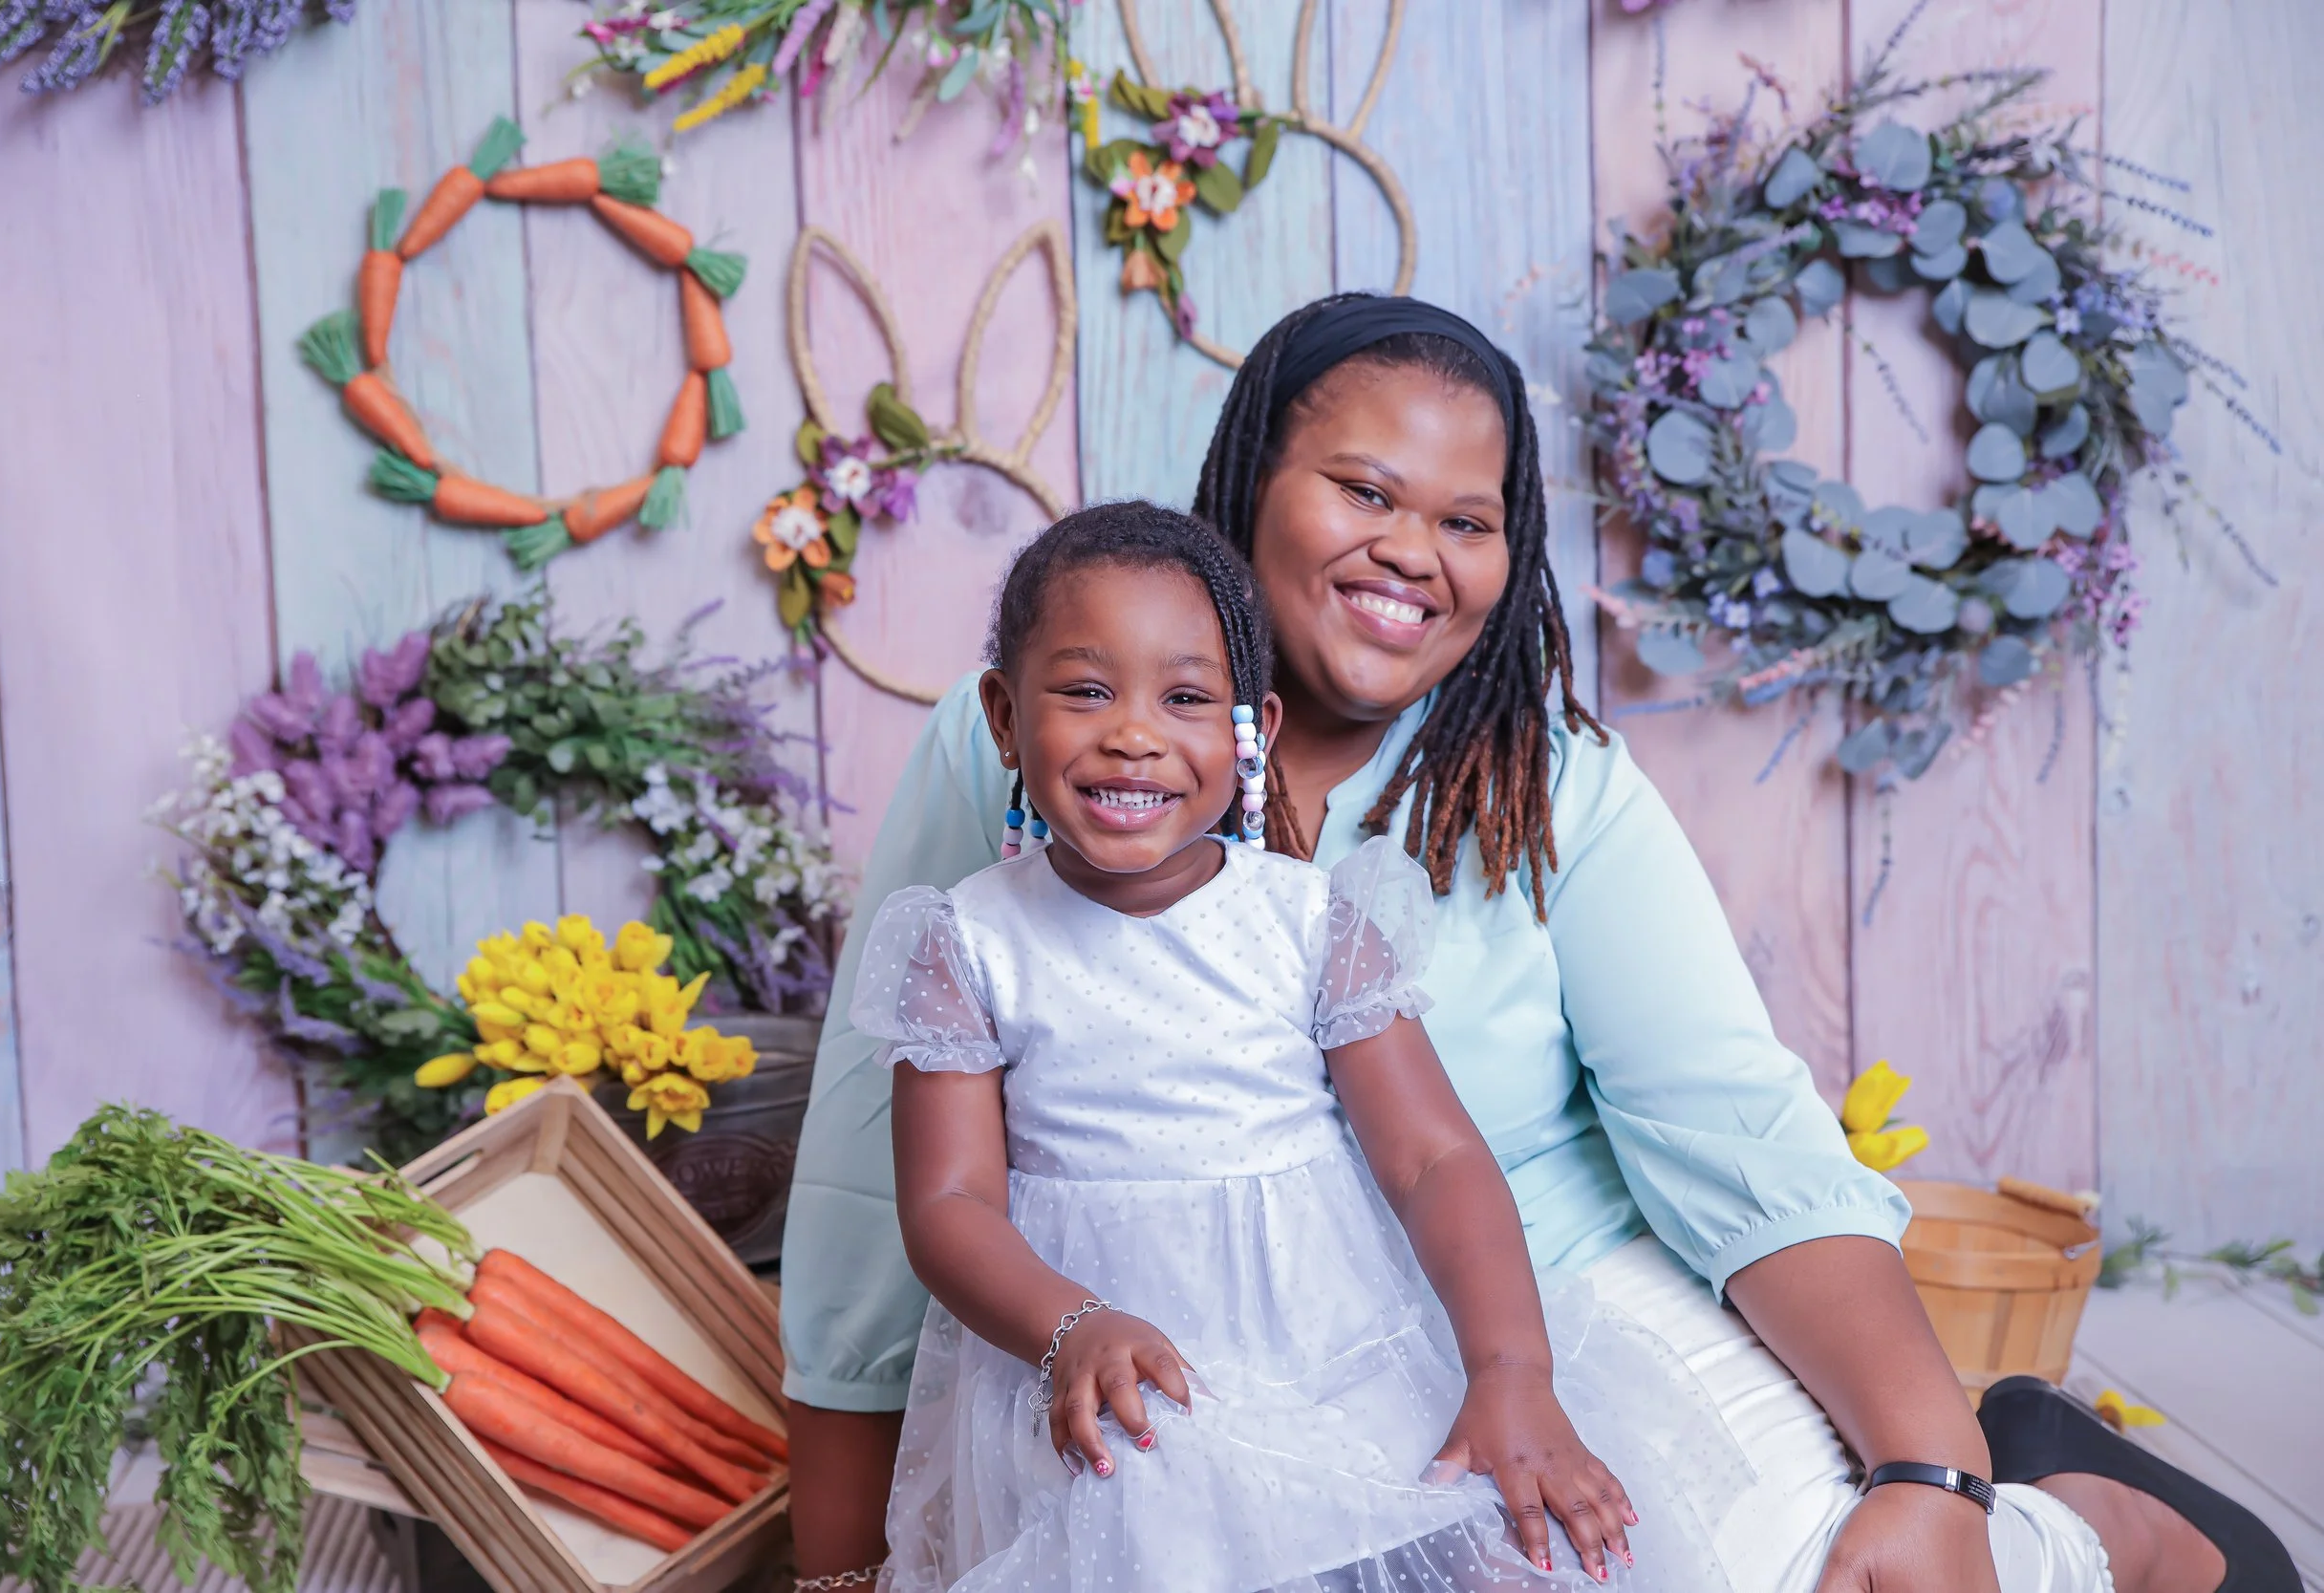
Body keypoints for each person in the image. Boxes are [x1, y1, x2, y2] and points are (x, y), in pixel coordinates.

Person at [781, 294, 2292, 1593]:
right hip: (1173, 1356)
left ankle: (2072, 1514)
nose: (1411, 552)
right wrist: (840, 1559)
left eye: (1467, 519)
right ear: (1251, 484)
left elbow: (1733, 1137)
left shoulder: (1539, 779)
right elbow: (883, 1176)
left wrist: (1928, 1464)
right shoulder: (1039, 746)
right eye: (1363, 491)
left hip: (1533, 1306)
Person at [855, 500, 1737, 1590]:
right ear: (1002, 714)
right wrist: (1065, 1323)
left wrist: (1510, 1366)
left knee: (1455, 1529)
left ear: (1251, 730)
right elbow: (947, 1206)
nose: (1133, 731)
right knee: (1153, 1522)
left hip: (1334, 1339)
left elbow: (1434, 1158)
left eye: (1184, 697)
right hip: (1110, 1359)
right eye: (1085, 690)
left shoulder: (1312, 922)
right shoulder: (969, 940)